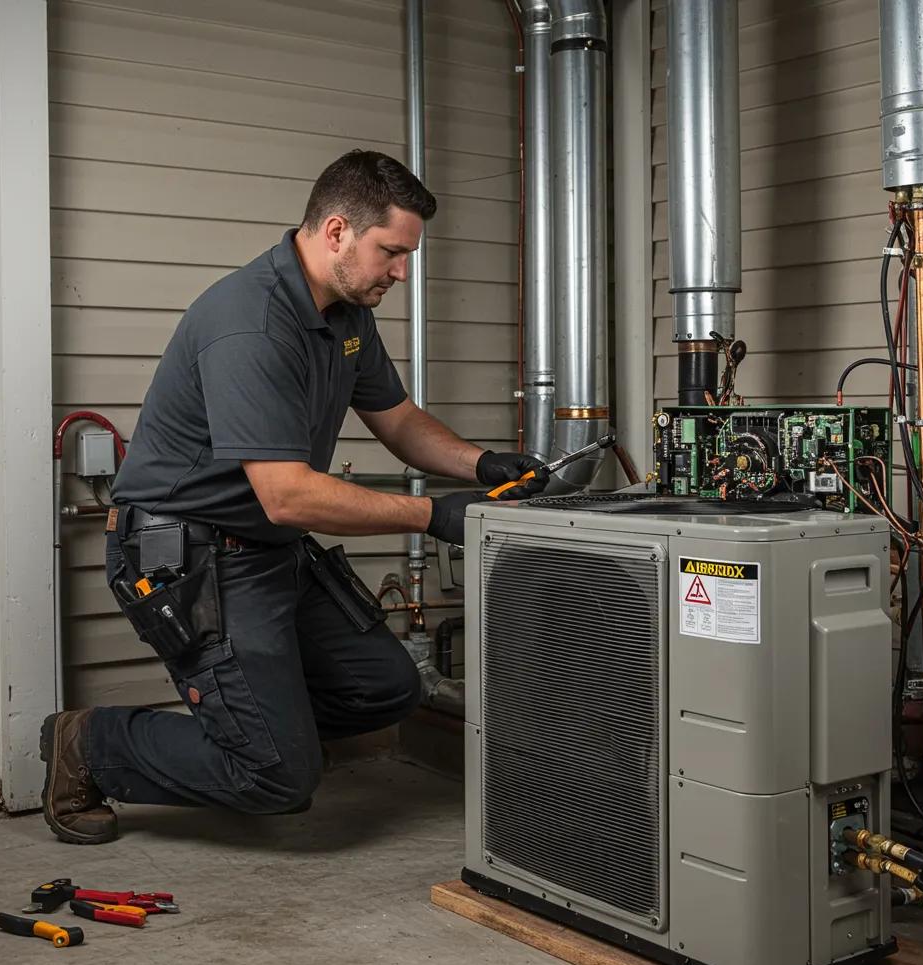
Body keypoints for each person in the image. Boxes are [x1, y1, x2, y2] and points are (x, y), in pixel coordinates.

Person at [39, 151, 545, 844]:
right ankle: (91, 742)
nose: (401, 272)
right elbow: (285, 495)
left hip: (265, 550)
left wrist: (481, 463)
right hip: (188, 555)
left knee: (388, 687)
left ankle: (264, 735)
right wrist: (435, 515)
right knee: (277, 778)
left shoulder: (345, 313)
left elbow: (396, 419)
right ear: (337, 230)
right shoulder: (251, 321)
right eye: (391, 252)